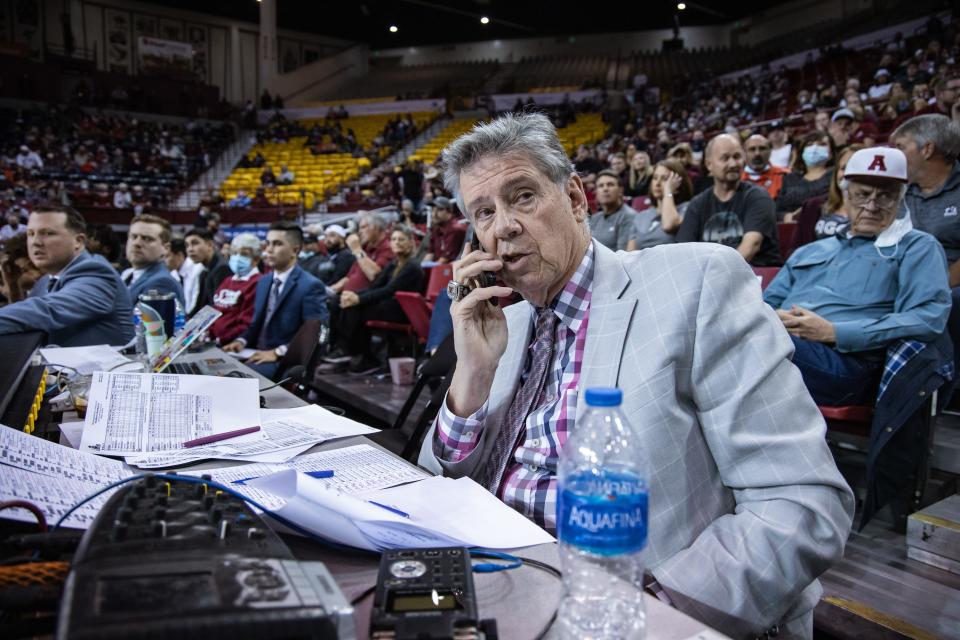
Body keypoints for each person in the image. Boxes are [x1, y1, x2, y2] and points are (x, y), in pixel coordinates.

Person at [420, 113, 853, 639]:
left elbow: (803, 505)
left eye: (523, 197)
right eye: (483, 212)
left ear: (576, 199)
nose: (503, 225)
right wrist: (473, 373)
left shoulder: (695, 284)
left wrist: (645, 617)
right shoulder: (501, 324)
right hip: (496, 585)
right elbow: (436, 482)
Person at [763, 147, 950, 407]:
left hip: (846, 364)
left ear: (900, 200)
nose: (871, 206)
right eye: (862, 195)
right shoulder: (810, 250)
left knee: (745, 345)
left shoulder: (917, 247)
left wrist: (834, 332)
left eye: (885, 196)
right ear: (845, 196)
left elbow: (928, 317)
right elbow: (765, 304)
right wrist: (772, 318)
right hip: (783, 343)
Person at [0, 204, 135, 346]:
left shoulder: (96, 273)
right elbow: (27, 323)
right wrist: (13, 286)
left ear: (78, 241)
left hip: (103, 367)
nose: (35, 242)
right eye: (30, 234)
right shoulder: (47, 279)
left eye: (48, 233)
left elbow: (47, 311)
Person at [223, 222, 328, 378]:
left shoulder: (311, 286)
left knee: (230, 379)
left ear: (295, 250)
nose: (269, 250)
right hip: (255, 354)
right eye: (268, 243)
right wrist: (241, 341)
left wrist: (277, 352)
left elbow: (316, 334)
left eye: (277, 244)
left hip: (283, 361)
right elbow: (256, 324)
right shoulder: (264, 281)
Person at [319, 226, 424, 375]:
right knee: (340, 301)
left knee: (357, 308)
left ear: (410, 243)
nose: (397, 242)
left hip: (402, 310)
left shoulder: (412, 266)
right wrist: (352, 295)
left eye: (401, 239)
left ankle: (356, 354)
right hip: (388, 306)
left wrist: (358, 299)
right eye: (394, 239)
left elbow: (388, 291)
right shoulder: (394, 263)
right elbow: (375, 286)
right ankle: (341, 348)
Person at [675, 134, 781, 266]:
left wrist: (715, 276)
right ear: (709, 164)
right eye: (725, 158)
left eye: (737, 157)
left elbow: (751, 246)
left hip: (755, 275)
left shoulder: (758, 197)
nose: (733, 164)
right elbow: (685, 251)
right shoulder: (697, 204)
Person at [794, 144, 864, 247]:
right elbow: (796, 250)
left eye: (856, 168)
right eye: (844, 168)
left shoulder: (874, 210)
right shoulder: (813, 206)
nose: (848, 173)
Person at [626, 160, 692, 251]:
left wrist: (668, 192)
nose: (657, 183)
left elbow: (669, 225)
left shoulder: (687, 208)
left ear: (678, 184)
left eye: (665, 179)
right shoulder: (641, 216)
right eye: (655, 178)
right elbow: (630, 254)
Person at [209, 233, 262, 346]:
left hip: (233, 345)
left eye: (244, 254)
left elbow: (247, 322)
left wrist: (220, 340)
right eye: (234, 253)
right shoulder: (227, 280)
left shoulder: (258, 282)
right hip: (214, 342)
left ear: (256, 259)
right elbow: (215, 311)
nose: (237, 258)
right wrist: (207, 333)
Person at [122, 214, 184, 306]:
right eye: (133, 237)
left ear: (166, 248)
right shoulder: (129, 276)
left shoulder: (162, 282)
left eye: (147, 239)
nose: (137, 243)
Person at [776, 131, 834, 221]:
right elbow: (777, 210)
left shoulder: (835, 175)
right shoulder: (789, 178)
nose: (814, 148)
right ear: (802, 152)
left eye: (822, 144)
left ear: (831, 153)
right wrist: (787, 216)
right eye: (809, 144)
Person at [184, 227, 232, 316]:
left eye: (195, 243)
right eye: (187, 245)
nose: (190, 249)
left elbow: (218, 308)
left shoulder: (222, 269)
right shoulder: (204, 272)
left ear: (210, 245)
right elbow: (199, 307)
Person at [588, 169, 636, 251]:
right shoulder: (595, 218)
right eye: (601, 186)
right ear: (596, 192)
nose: (605, 189)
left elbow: (623, 256)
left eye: (610, 185)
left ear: (620, 190)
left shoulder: (629, 216)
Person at [741, 134, 789, 199]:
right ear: (744, 153)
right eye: (752, 149)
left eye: (762, 148)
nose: (757, 153)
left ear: (770, 152)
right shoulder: (736, 180)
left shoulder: (785, 175)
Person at [423, 196, 466, 264]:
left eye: (439, 210)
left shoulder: (455, 229)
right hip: (440, 268)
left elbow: (445, 260)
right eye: (433, 210)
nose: (434, 214)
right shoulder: (437, 228)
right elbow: (430, 252)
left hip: (451, 270)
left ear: (449, 212)